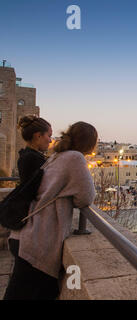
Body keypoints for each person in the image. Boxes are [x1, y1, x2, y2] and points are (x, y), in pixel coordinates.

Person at [3, 121, 97, 300]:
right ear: (89, 143)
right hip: (38, 242)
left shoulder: (57, 156)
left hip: (26, 234)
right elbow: (86, 197)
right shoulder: (75, 158)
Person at [3, 116, 53, 300]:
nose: (50, 140)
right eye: (48, 135)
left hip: (25, 232)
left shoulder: (27, 156)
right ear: (38, 136)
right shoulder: (33, 159)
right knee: (19, 288)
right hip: (29, 233)